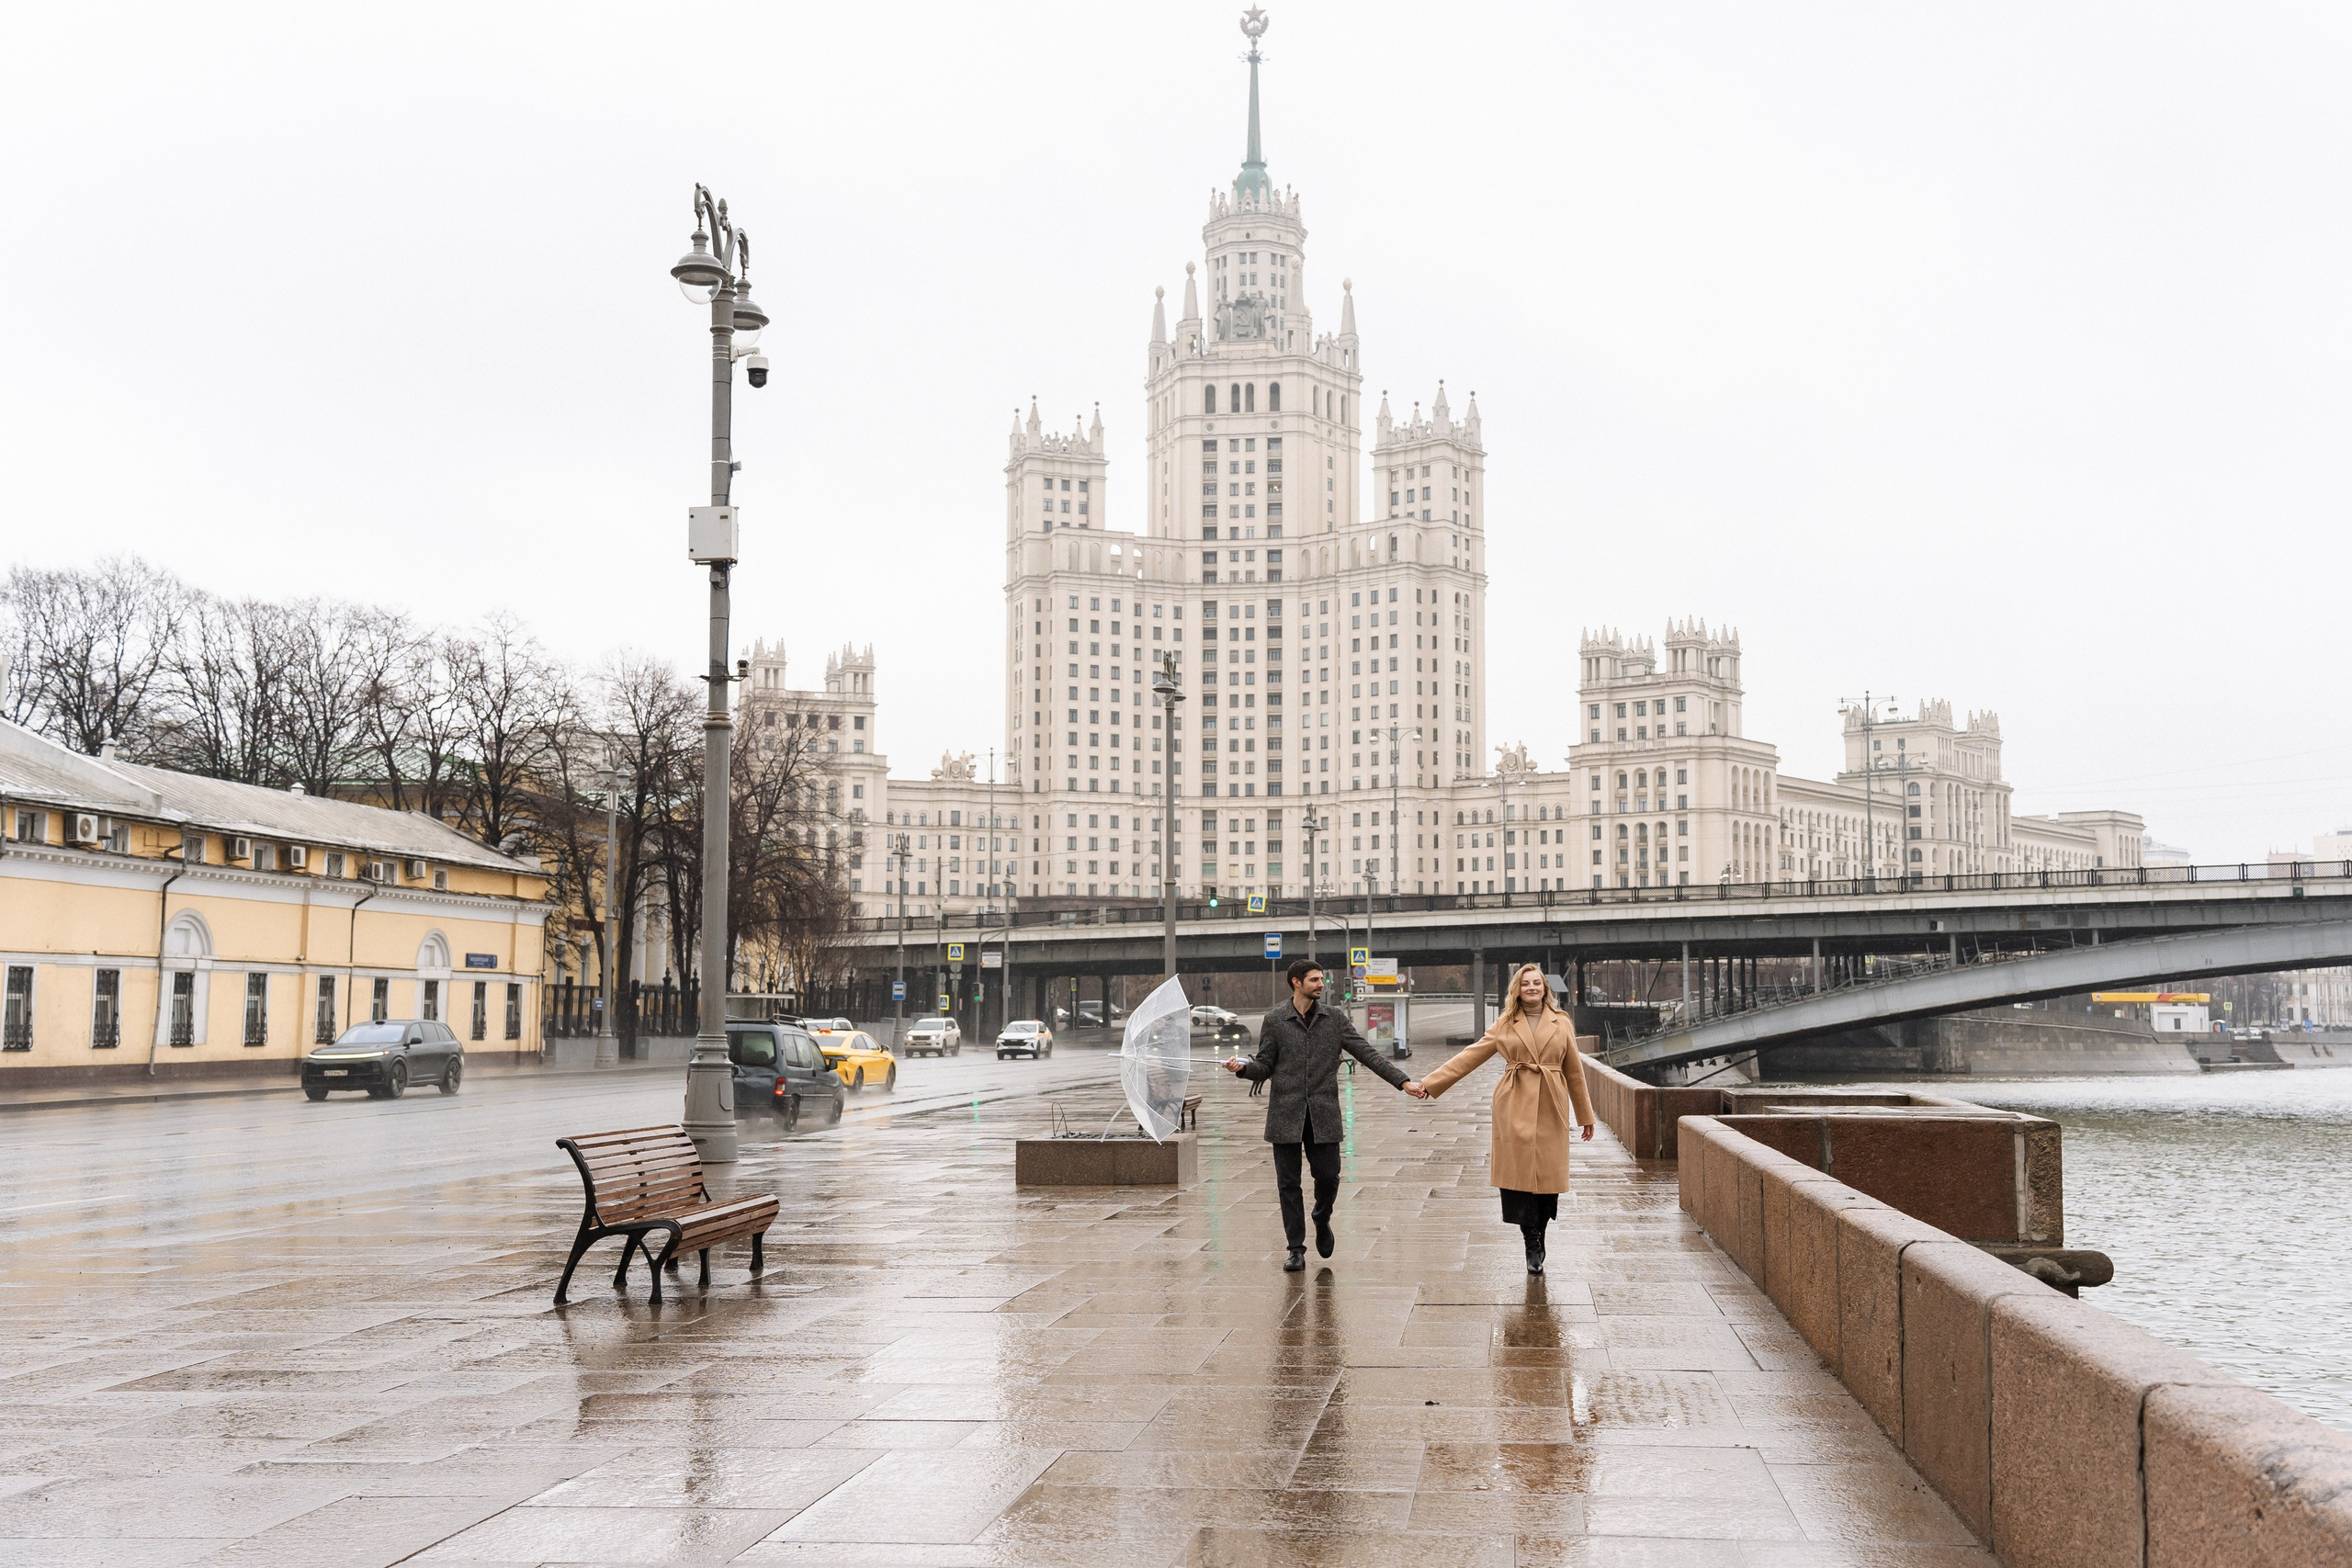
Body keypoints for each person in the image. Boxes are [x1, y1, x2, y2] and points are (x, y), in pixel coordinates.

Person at [1223, 959, 1417, 1271]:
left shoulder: (1334, 1019)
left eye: (1321, 979)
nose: (1321, 984)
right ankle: (1296, 1249)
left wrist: (1403, 1081)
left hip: (1323, 1114)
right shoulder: (1275, 1020)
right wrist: (1243, 1069)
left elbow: (1367, 1053)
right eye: (1314, 980)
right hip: (1285, 1114)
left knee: (1328, 1177)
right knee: (1289, 1185)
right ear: (1296, 983)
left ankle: (1322, 1216)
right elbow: (1264, 1066)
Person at [1405, 962, 1597, 1275]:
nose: (1532, 988)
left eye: (1537, 983)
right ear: (1517, 990)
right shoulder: (1506, 1023)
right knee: (1519, 1180)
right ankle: (1531, 1244)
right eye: (1526, 984)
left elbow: (1574, 1072)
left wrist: (1585, 1116)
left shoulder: (1561, 1022)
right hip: (1514, 1102)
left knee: (1548, 1180)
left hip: (1551, 1103)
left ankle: (1541, 1232)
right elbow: (1470, 1056)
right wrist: (1431, 1083)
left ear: (1545, 988)